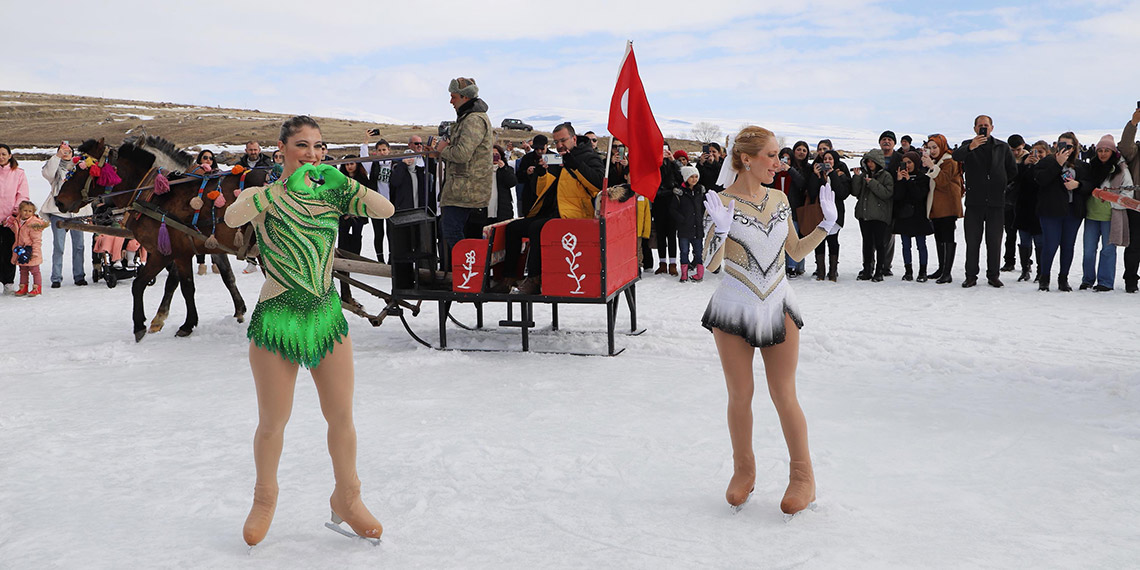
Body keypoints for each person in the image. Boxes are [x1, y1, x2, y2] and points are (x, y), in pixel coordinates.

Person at [223, 115, 395, 547]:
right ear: (281, 149)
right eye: (302, 145)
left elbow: (386, 210)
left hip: (324, 317)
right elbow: (231, 218)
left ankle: (348, 497)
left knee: (341, 417)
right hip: (277, 318)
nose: (312, 154)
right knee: (272, 422)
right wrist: (270, 194)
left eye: (319, 147)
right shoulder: (263, 196)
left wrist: (346, 184)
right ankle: (265, 498)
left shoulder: (331, 193)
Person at [701, 125, 838, 516]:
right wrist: (720, 231)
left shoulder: (779, 198)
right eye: (772, 156)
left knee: (784, 394)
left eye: (778, 155)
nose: (778, 163)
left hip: (778, 305)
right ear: (746, 158)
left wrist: (825, 227)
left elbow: (794, 251)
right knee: (740, 395)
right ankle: (743, 470)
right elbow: (711, 265)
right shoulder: (722, 202)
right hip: (733, 309)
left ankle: (803, 477)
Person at [490, 122, 603, 294]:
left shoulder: (588, 156)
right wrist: (541, 175)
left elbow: (597, 184)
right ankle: (509, 277)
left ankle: (534, 279)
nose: (559, 146)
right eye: (556, 142)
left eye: (563, 140)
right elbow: (543, 190)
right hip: (553, 211)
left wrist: (575, 165)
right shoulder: (557, 158)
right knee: (513, 228)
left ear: (573, 138)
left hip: (575, 215)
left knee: (538, 228)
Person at [952, 115, 1018, 288]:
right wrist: (971, 147)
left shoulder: (1002, 147)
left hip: (996, 202)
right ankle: (971, 275)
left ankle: (993, 275)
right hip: (974, 202)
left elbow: (1012, 171)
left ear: (992, 127)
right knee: (972, 241)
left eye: (986, 125)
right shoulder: (968, 145)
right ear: (974, 128)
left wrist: (1000, 183)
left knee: (994, 241)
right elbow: (956, 157)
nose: (983, 128)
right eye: (980, 125)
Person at [430, 77, 494, 254]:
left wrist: (443, 150)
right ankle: (470, 270)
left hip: (465, 191)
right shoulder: (468, 117)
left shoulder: (473, 120)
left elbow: (462, 154)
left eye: (454, 97)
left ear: (465, 97)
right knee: (456, 231)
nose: (451, 101)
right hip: (464, 189)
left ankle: (469, 267)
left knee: (451, 230)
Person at [1034, 132, 1091, 292]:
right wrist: (1057, 164)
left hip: (1073, 211)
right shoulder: (1046, 162)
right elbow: (1040, 180)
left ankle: (1063, 278)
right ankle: (1044, 278)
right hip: (1051, 211)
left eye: (1069, 146)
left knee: (1068, 246)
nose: (1065, 149)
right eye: (1061, 145)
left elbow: (1090, 184)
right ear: (1055, 146)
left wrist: (1078, 185)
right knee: (1050, 245)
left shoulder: (1081, 166)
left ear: (1075, 148)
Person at [1081, 135, 1132, 291]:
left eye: (1106, 150)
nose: (1103, 154)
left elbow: (1128, 192)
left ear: (1113, 152)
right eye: (1100, 150)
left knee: (1108, 250)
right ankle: (1087, 279)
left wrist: (1112, 198)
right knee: (1089, 251)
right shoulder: (1091, 168)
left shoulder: (1121, 169)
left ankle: (1105, 281)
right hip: (1091, 214)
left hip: (1111, 215)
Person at [40, 141, 92, 287]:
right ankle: (56, 278)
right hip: (59, 212)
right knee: (59, 246)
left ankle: (79, 276)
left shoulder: (79, 168)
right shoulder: (56, 170)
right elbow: (47, 173)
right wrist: (57, 157)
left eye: (68, 150)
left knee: (79, 246)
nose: (66, 152)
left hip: (76, 212)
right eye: (62, 150)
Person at [922, 134, 964, 284]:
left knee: (947, 237)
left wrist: (932, 167)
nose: (932, 150)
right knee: (939, 237)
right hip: (937, 206)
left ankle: (947, 272)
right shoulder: (937, 160)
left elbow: (944, 180)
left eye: (935, 147)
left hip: (948, 206)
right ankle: (942, 268)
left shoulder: (949, 160)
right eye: (930, 147)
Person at [850, 148, 894, 281]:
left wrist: (872, 183)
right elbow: (855, 192)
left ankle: (879, 271)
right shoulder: (864, 175)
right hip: (864, 215)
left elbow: (887, 193)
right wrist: (857, 178)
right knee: (867, 243)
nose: (869, 164)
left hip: (880, 216)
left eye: (872, 161)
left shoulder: (886, 176)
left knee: (880, 244)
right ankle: (867, 269)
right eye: (867, 161)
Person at [807, 150, 851, 281]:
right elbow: (813, 193)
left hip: (835, 213)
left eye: (830, 159)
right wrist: (816, 176)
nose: (827, 161)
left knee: (833, 241)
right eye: (825, 159)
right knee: (819, 241)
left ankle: (833, 272)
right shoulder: (818, 174)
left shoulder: (840, 174)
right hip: (819, 214)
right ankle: (820, 272)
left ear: (835, 161)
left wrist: (832, 174)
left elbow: (842, 193)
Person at [893, 151, 934, 282]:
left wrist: (908, 181)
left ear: (915, 163)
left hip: (918, 217)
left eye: (909, 162)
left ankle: (923, 272)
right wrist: (900, 181)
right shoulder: (899, 177)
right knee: (905, 245)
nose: (907, 166)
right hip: (904, 216)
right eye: (904, 163)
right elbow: (897, 197)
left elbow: (919, 196)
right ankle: (908, 271)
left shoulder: (923, 178)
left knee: (921, 245)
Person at [337, 155, 373, 304]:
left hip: (357, 218)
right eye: (346, 164)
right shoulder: (340, 181)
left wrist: (356, 213)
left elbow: (367, 199)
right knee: (342, 254)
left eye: (352, 164)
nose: (349, 167)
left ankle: (348, 290)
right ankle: (345, 291)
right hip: (344, 219)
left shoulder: (364, 180)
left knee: (354, 251)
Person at [1013, 141, 1048, 283]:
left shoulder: (1048, 167)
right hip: (1023, 209)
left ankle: (1041, 271)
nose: (1037, 155)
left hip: (1040, 210)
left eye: (1040, 152)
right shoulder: (1023, 166)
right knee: (1024, 241)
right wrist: (1024, 165)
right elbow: (1014, 179)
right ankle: (1025, 269)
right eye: (1034, 152)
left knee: (1040, 242)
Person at [0, 143, 30, 293]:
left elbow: (22, 195)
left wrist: (13, 214)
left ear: (10, 156)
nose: (1, 157)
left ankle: (8, 282)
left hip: (10, 220)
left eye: (4, 154)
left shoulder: (18, 173)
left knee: (9, 250)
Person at [3, 200, 49, 296]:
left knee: (35, 270)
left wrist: (35, 252)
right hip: (20, 251)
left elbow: (36, 240)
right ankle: (23, 287)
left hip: (31, 251)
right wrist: (7, 224)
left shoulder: (34, 224)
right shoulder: (18, 221)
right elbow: (17, 231)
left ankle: (37, 287)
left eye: (30, 211)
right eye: (25, 210)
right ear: (20, 211)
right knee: (23, 270)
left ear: (33, 212)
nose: (27, 213)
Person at [671, 165, 706, 282]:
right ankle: (684, 274)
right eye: (691, 177)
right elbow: (673, 209)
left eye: (696, 177)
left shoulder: (700, 191)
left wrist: (702, 218)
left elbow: (703, 206)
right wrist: (682, 219)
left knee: (698, 251)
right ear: (686, 178)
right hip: (684, 228)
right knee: (684, 251)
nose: (694, 179)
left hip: (697, 227)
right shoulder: (680, 193)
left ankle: (700, 274)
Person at [1118, 107, 1140, 293]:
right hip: (1137, 206)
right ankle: (1131, 280)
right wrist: (1133, 123)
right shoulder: (1136, 151)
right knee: (1135, 246)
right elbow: (1124, 146)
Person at [360, 139, 393, 262]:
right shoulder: (373, 165)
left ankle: (391, 258)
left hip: (391, 203)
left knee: (391, 234)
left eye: (384, 149)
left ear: (389, 150)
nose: (382, 152)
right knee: (379, 233)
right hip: (377, 205)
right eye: (379, 150)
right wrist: (366, 141)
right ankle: (380, 259)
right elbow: (363, 156)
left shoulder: (394, 163)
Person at [653, 146, 683, 275]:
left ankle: (672, 263)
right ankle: (662, 263)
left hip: (672, 203)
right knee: (660, 235)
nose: (664, 152)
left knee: (671, 235)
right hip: (658, 202)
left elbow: (682, 177)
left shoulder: (673, 165)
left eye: (666, 149)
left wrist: (673, 161)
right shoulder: (655, 165)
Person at [1002, 134, 1029, 272]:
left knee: (1027, 235)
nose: (1016, 153)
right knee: (1010, 233)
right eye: (1012, 150)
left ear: (1023, 145)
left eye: (1018, 149)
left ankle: (1027, 262)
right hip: (1009, 201)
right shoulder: (1006, 158)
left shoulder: (1029, 158)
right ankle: (1009, 261)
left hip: (1024, 201)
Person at [192, 150, 221, 276]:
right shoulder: (195, 172)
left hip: (212, 207)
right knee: (199, 235)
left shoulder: (217, 174)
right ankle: (201, 263)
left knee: (213, 234)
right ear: (200, 159)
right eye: (205, 157)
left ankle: (215, 262)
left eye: (211, 158)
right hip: (199, 207)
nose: (208, 160)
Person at [516, 134, 548, 216]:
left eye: (542, 149)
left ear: (546, 146)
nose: (539, 151)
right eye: (536, 149)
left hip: (547, 197)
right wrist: (527, 172)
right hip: (530, 197)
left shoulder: (554, 157)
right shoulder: (527, 158)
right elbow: (518, 177)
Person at [489, 144, 517, 225]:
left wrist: (504, 168)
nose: (494, 157)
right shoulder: (482, 170)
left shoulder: (507, 169)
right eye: (492, 155)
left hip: (502, 210)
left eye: (497, 155)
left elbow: (512, 182)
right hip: (486, 210)